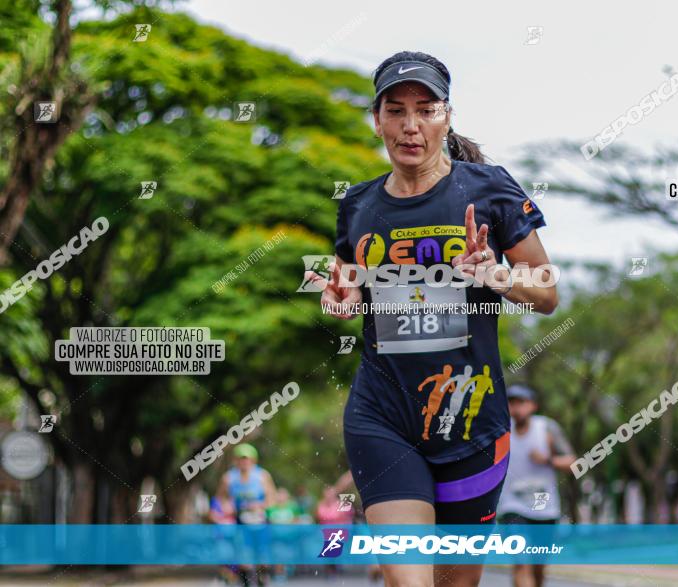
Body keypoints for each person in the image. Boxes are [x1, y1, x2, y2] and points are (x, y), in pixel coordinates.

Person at [307, 50, 557, 586]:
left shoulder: (488, 188)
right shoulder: (357, 205)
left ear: (447, 115)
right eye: (395, 111)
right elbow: (347, 289)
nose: (410, 126)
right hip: (384, 416)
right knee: (408, 579)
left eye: (425, 109)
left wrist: (496, 275)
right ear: (377, 121)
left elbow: (548, 292)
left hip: (472, 420)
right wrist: (340, 300)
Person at [497, 385, 576, 587]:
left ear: (533, 405)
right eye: (511, 403)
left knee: (538, 567)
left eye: (521, 403)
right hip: (512, 506)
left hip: (544, 507)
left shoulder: (547, 429)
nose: (516, 408)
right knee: (521, 562)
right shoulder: (500, 429)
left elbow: (573, 463)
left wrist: (547, 460)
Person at [216, 443, 278, 586]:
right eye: (240, 459)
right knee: (244, 557)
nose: (243, 462)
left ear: (253, 460)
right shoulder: (229, 478)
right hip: (241, 521)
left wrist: (259, 506)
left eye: (246, 459)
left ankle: (263, 578)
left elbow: (272, 499)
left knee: (263, 558)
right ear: (235, 460)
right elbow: (220, 498)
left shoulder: (262, 476)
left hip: (260, 521)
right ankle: (247, 582)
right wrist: (227, 506)